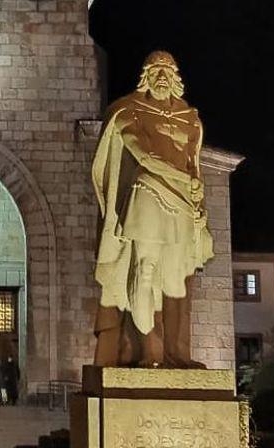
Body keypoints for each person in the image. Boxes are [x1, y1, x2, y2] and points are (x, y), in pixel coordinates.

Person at [91, 50, 213, 368]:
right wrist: (184, 180)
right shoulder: (128, 111)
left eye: (167, 70)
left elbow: (193, 163)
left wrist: (197, 196)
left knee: (176, 279)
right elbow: (143, 157)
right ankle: (149, 352)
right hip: (148, 194)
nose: (162, 75)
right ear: (145, 74)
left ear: (176, 76)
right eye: (155, 70)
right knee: (144, 272)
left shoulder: (191, 118)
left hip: (182, 204)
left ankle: (176, 353)